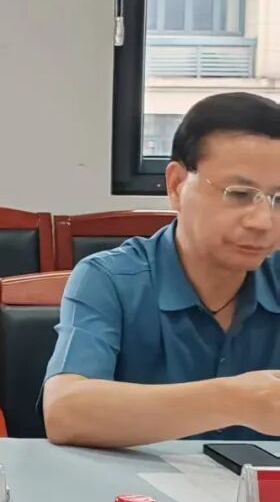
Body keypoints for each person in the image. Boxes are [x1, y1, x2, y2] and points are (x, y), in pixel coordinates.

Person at [43, 92, 280, 447]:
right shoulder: (111, 279)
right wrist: (236, 400)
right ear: (176, 185)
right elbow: (66, 411)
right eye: (239, 193)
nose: (263, 221)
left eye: (279, 199)